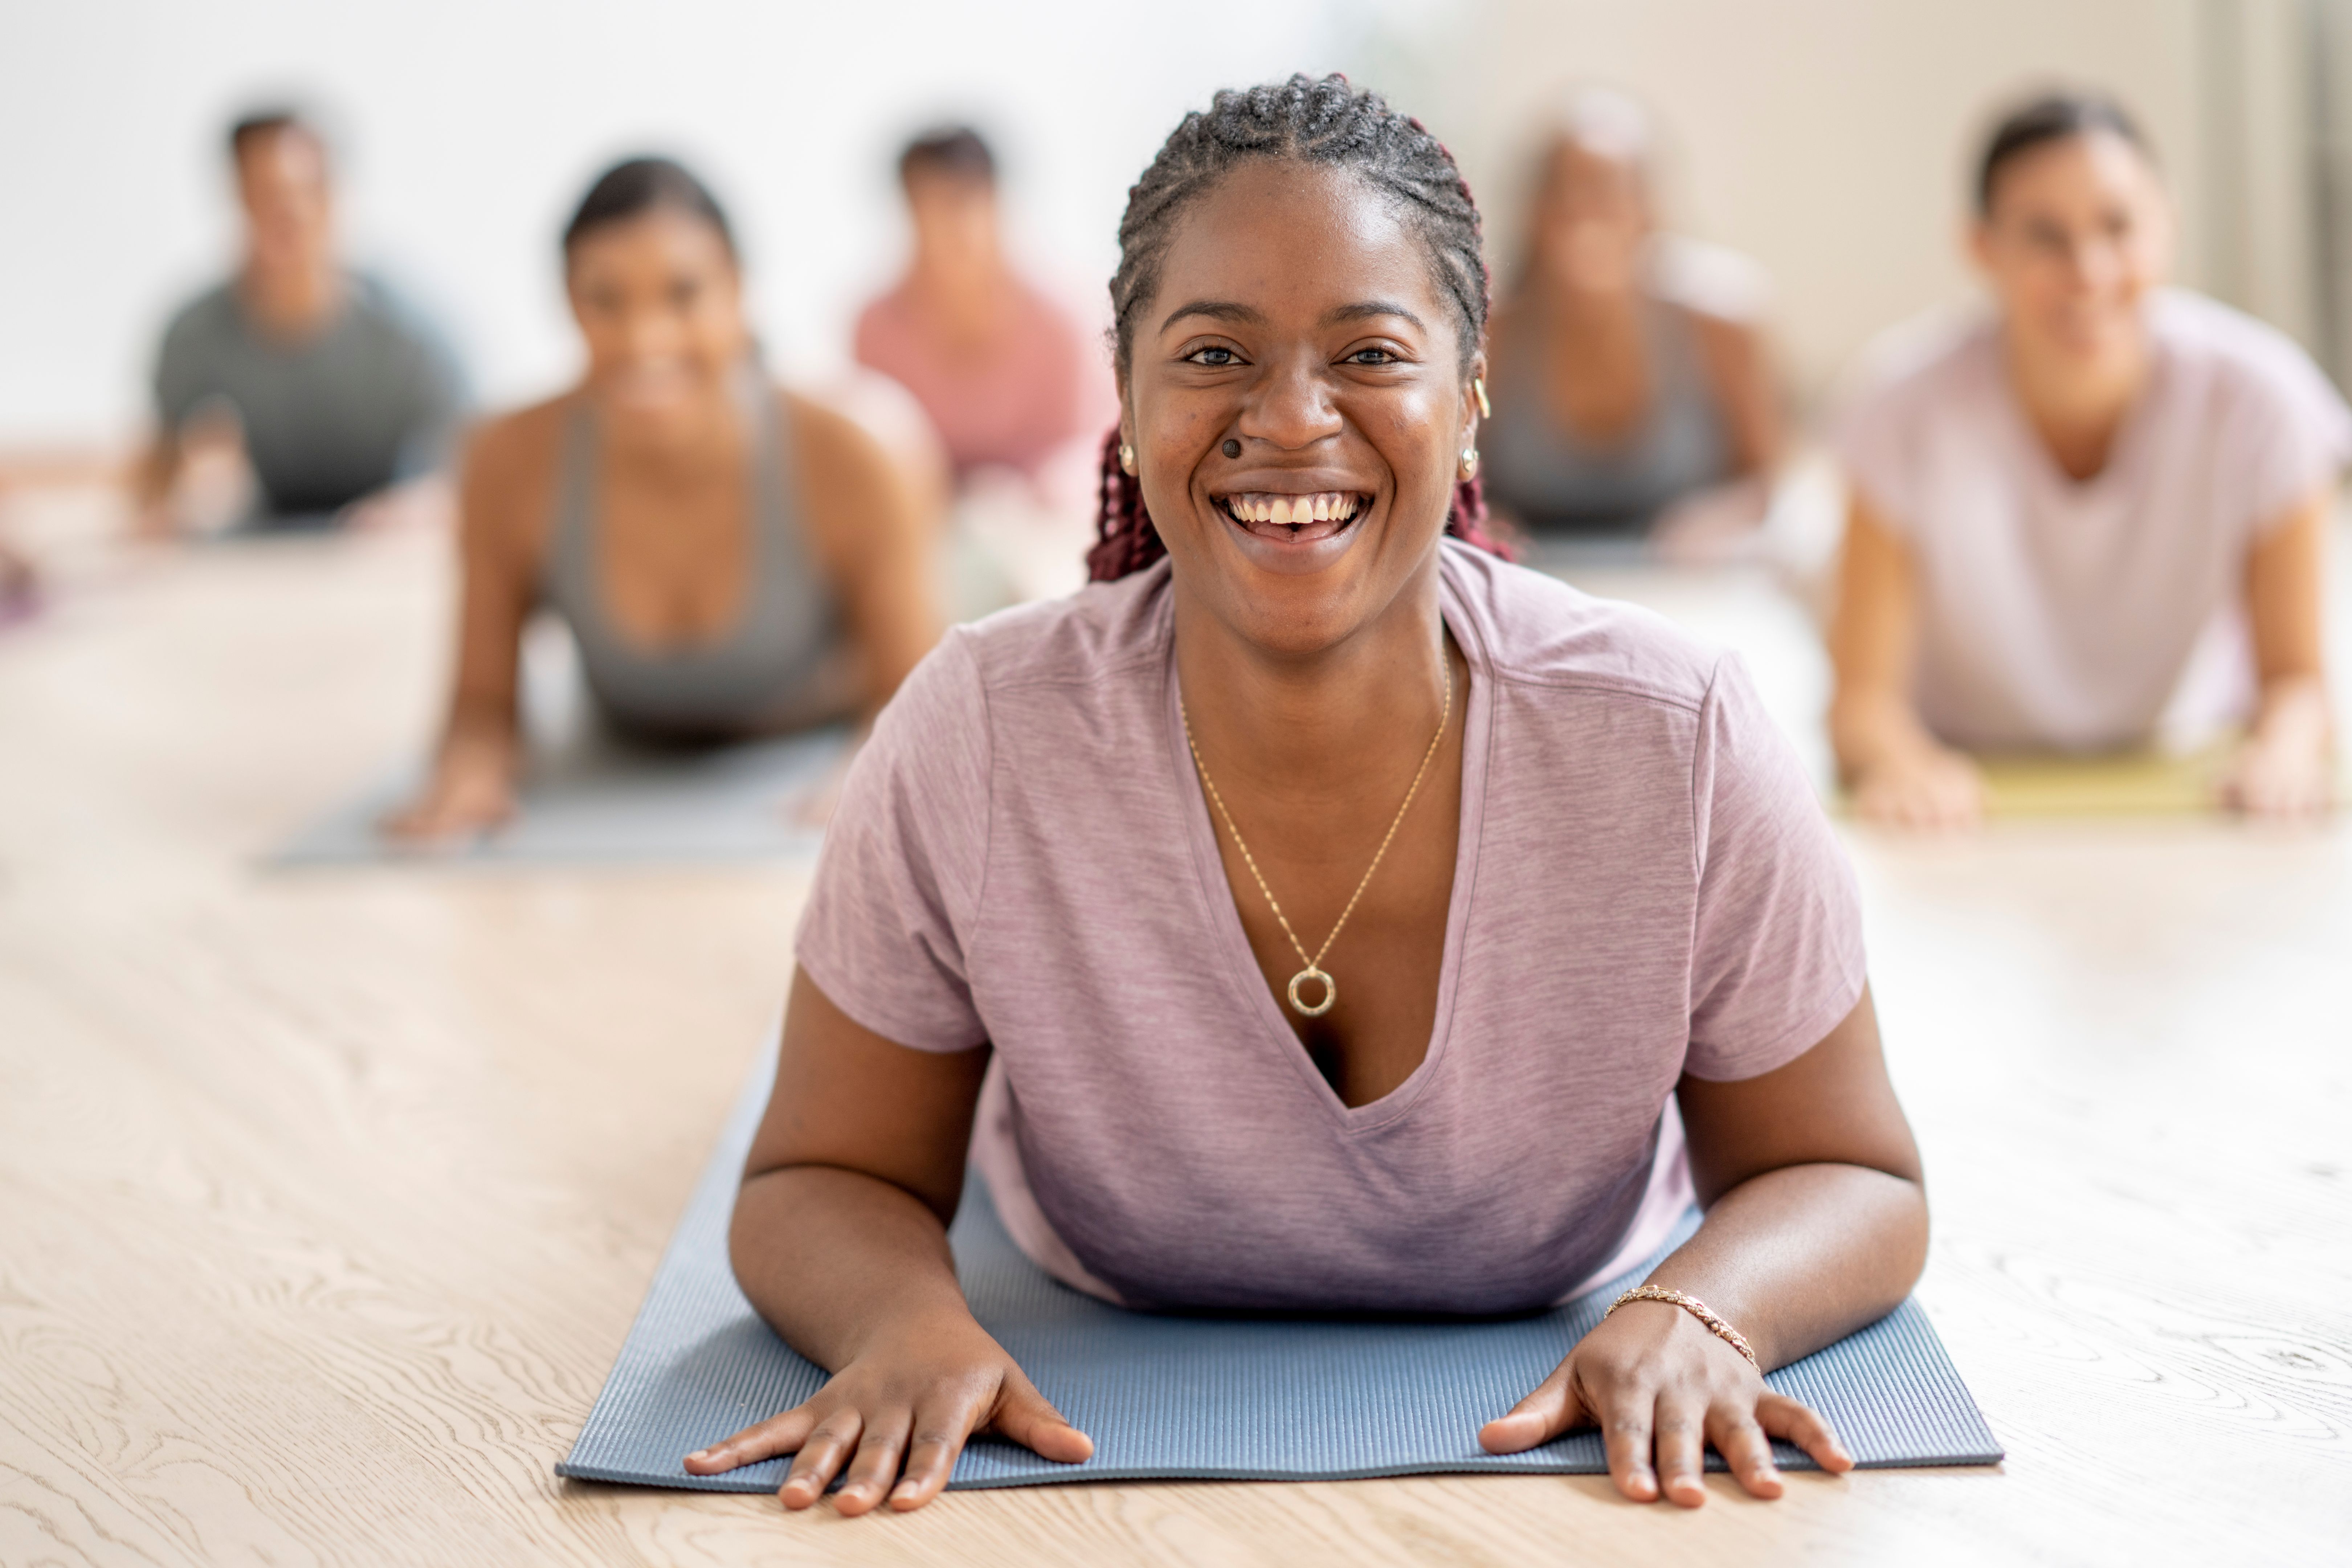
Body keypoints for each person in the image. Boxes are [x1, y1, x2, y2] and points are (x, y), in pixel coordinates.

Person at [683, 76, 1927, 1516]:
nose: (1289, 420)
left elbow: (1850, 1171)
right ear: (1130, 397)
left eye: (1369, 351)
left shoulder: (1677, 736)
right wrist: (902, 1323)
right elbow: (815, 1177)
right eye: (1213, 351)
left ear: (1471, 395)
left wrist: (1708, 1309)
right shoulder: (978, 729)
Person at [1829, 91, 2347, 828]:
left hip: (2180, 762)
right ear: (1983, 248)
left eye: (2119, 225)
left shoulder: (2263, 398)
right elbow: (1862, 701)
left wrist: (2286, 755)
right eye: (2046, 236)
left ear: (2166, 225)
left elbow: (2298, 681)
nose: (2089, 269)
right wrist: (1903, 764)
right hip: (1970, 776)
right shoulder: (1898, 406)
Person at [384, 159, 939, 841]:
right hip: (632, 747)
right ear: (567, 305)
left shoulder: (861, 447)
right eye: (605, 300)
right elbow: (481, 704)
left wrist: (877, 765)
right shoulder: (506, 462)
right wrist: (471, 766)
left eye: (683, 295)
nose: (646, 338)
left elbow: (916, 699)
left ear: (739, 293)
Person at [139, 110, 469, 531]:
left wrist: (419, 507)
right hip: (262, 545)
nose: (288, 213)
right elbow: (158, 476)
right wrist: (179, 505)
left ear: (333, 198)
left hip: (382, 540)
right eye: (264, 194)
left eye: (305, 191)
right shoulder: (194, 337)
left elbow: (468, 472)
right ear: (236, 199)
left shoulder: (412, 335)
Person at [1479, 89, 1780, 541]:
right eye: (1564, 192)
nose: (1584, 213)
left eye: (1608, 192)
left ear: (1650, 209)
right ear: (1532, 213)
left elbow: (1771, 484)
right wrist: (1481, 522)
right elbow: (1448, 482)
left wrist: (1719, 521)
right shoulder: (1487, 335)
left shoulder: (1722, 325)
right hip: (1529, 587)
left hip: (1687, 592)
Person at [852, 127, 1099, 485]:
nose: (939, 227)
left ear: (995, 201)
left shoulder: (1061, 322)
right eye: (922, 206)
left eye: (957, 203)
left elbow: (1076, 461)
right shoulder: (876, 328)